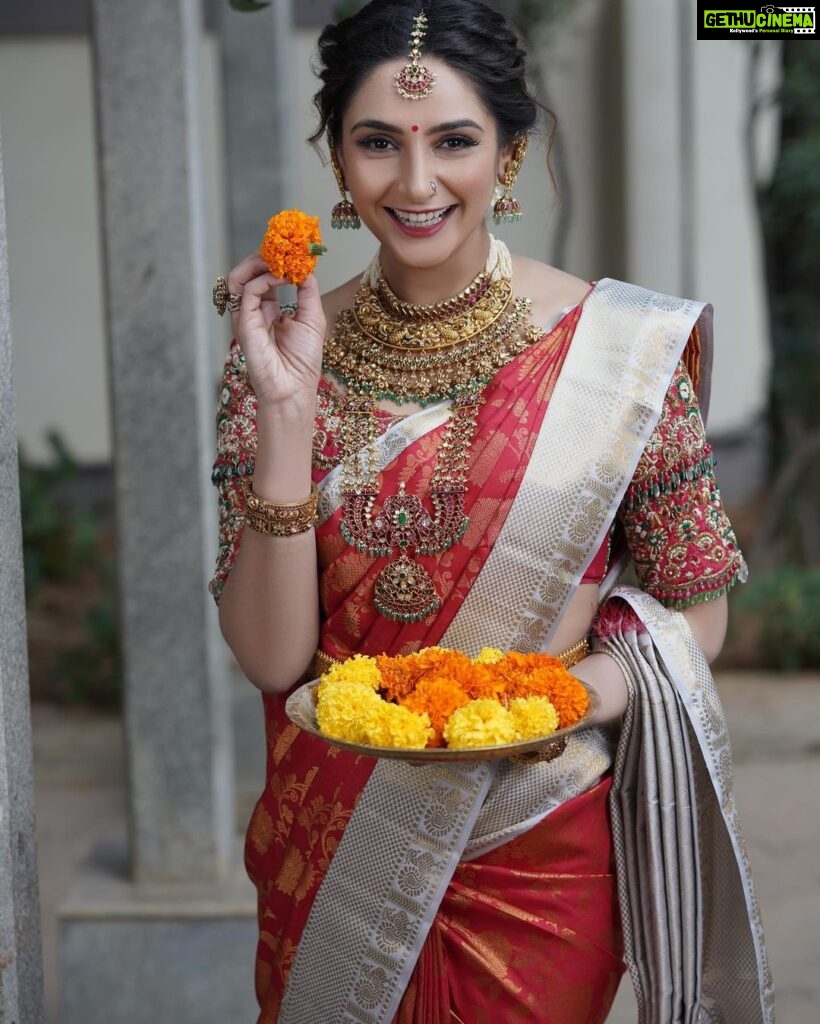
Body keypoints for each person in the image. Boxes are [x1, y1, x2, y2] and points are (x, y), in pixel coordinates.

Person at [209, 2, 773, 1022]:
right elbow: (270, 659)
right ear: (337, 160)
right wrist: (286, 416)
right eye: (377, 142)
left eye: (455, 142)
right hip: (333, 834)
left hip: (535, 835)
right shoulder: (283, 362)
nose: (415, 184)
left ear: (510, 154)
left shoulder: (618, 352)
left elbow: (696, 614)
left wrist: (545, 702)